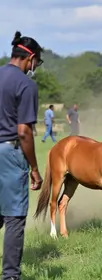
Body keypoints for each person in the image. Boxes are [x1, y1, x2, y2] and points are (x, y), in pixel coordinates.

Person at [0, 31, 43, 280]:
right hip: (9, 152)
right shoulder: (26, 84)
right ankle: (10, 276)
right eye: (36, 63)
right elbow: (24, 132)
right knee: (14, 216)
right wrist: (34, 169)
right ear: (31, 58)